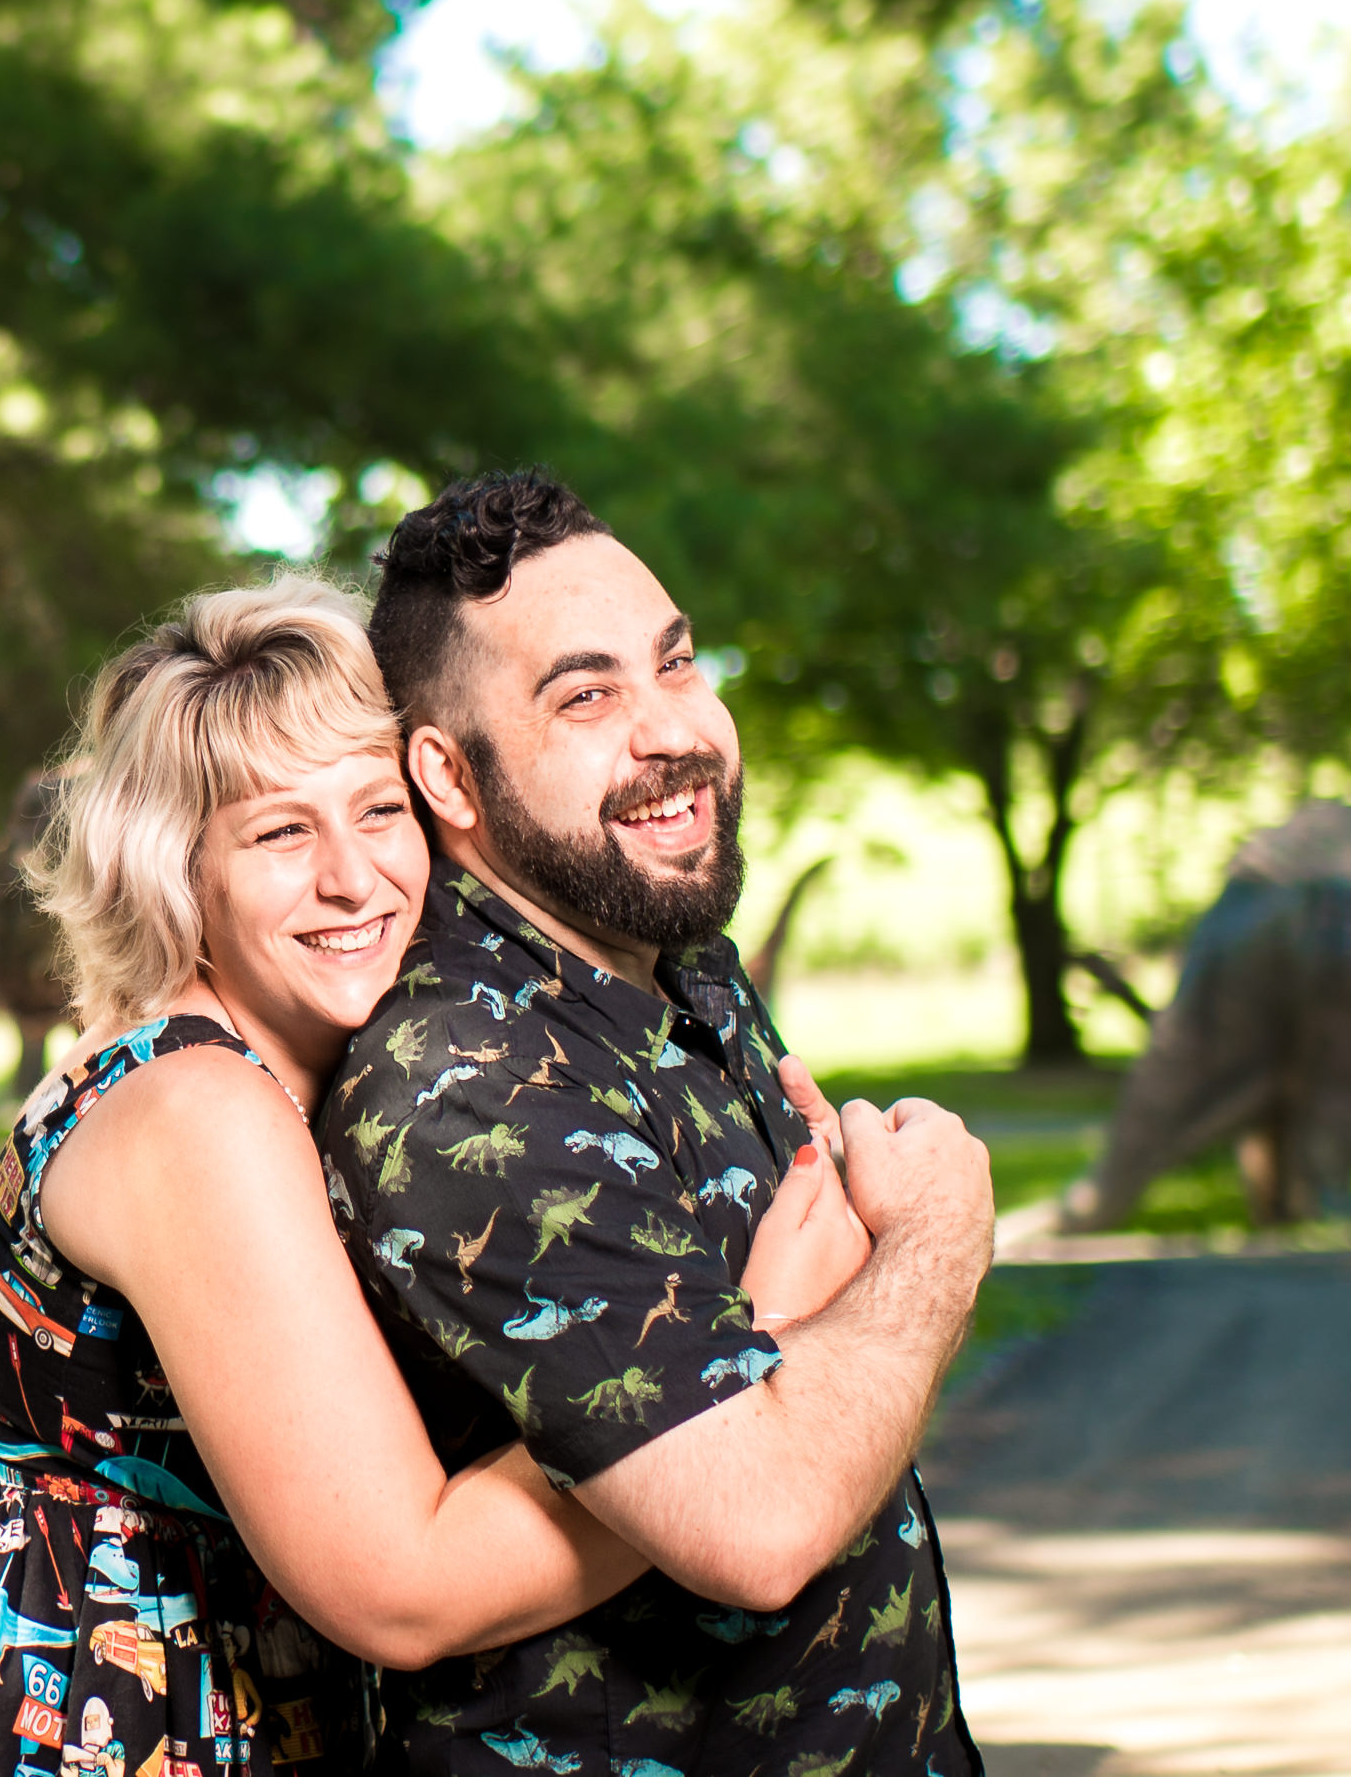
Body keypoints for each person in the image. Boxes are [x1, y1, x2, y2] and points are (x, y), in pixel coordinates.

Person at [0, 580, 870, 1777]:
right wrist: (751, 1337)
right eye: (278, 832)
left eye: (377, 810)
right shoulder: (199, 1112)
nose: (351, 877)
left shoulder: (311, 1081)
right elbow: (403, 1590)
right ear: (179, 871)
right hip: (108, 1709)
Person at [320, 470, 997, 1776]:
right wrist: (936, 1245)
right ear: (448, 778)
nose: (671, 731)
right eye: (587, 696)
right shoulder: (468, 1072)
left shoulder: (672, 952)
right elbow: (758, 1523)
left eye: (677, 664)